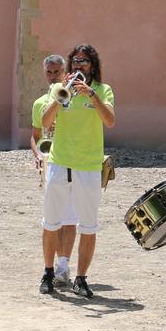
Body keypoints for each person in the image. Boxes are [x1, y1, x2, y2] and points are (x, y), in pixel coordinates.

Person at [38, 44, 116, 298]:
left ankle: (81, 278)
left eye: (84, 62)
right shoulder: (57, 89)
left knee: (89, 226)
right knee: (51, 222)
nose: (79, 66)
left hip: (89, 166)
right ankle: (48, 272)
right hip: (60, 163)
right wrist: (64, 93)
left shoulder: (103, 91)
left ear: (93, 65)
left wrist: (92, 95)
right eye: (75, 62)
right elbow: (45, 122)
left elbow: (110, 121)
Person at [31, 53, 78, 292]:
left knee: (70, 216)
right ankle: (51, 268)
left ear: (64, 72)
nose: (52, 76)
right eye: (48, 72)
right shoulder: (40, 102)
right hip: (51, 161)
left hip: (71, 160)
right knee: (52, 218)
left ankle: (63, 266)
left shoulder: (74, 99)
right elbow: (36, 135)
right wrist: (37, 155)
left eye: (56, 72)